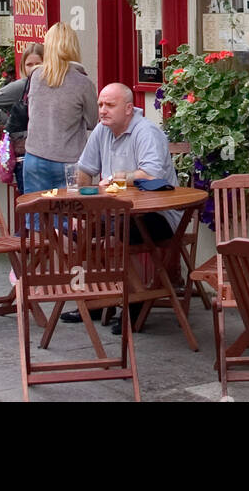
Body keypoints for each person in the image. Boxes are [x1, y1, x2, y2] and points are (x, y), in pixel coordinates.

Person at [71, 83, 180, 334]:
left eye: (110, 105)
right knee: (78, 231)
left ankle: (136, 300)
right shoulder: (102, 130)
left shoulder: (146, 132)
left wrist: (119, 177)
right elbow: (85, 170)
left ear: (129, 108)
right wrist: (82, 208)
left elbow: (151, 175)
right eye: (100, 105)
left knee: (116, 233)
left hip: (158, 215)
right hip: (116, 212)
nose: (102, 111)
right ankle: (96, 299)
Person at [22, 24, 97, 194]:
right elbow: (93, 121)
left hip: (35, 156)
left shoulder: (35, 76)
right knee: (68, 218)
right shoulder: (83, 83)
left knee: (35, 217)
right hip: (68, 161)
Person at [0, 42, 44, 194]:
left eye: (38, 64)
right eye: (29, 64)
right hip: (25, 156)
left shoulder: (49, 85)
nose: (33, 68)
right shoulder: (21, 86)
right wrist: (12, 123)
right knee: (32, 209)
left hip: (46, 155)